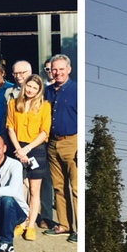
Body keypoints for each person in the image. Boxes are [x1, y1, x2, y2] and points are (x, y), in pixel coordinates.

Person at [4, 74, 50, 241]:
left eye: (35, 88)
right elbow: (10, 127)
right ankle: (21, 222)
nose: (31, 90)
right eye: (29, 86)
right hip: (17, 148)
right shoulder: (13, 104)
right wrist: (19, 150)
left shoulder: (45, 106)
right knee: (18, 188)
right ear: (24, 87)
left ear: (39, 91)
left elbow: (45, 131)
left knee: (34, 189)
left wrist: (28, 149)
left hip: (36, 149)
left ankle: (31, 225)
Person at [44, 55, 78, 242]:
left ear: (69, 69)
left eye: (61, 69)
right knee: (58, 187)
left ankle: (79, 230)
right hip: (52, 143)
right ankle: (64, 225)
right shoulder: (47, 92)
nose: (57, 72)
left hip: (72, 142)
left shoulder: (77, 90)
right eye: (54, 69)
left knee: (76, 188)